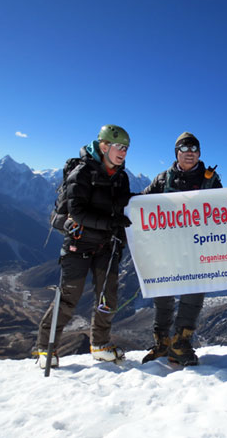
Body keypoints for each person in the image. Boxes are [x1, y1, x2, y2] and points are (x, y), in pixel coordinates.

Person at [36, 124, 133, 369]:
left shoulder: (120, 176)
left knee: (107, 296)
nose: (123, 152)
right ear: (103, 146)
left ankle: (100, 345)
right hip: (78, 244)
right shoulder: (82, 173)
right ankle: (45, 349)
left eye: (126, 148)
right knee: (69, 297)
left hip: (107, 245)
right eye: (118, 147)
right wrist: (111, 223)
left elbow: (125, 203)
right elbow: (77, 213)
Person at [141, 131, 222, 366]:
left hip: (196, 246)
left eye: (194, 149)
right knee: (162, 295)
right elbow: (141, 203)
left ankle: (181, 343)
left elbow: (224, 208)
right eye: (185, 149)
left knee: (193, 294)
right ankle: (162, 341)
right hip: (165, 246)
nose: (190, 153)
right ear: (176, 152)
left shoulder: (211, 180)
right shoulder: (163, 179)